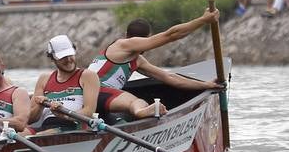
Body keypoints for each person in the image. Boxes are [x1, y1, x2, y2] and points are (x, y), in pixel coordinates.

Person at [85, 9, 223, 119]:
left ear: (126, 33)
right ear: (145, 39)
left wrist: (207, 85)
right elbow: (171, 35)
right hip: (96, 91)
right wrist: (203, 20)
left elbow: (170, 78)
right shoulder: (123, 45)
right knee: (139, 102)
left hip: (86, 96)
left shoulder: (137, 60)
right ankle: (140, 111)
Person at [29, 35, 100, 133]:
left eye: (70, 54)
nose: (68, 60)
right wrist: (40, 106)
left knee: (39, 135)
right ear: (52, 58)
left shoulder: (88, 76)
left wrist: (64, 115)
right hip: (46, 126)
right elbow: (30, 119)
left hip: (73, 126)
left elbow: (89, 112)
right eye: (63, 57)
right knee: (21, 134)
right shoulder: (44, 79)